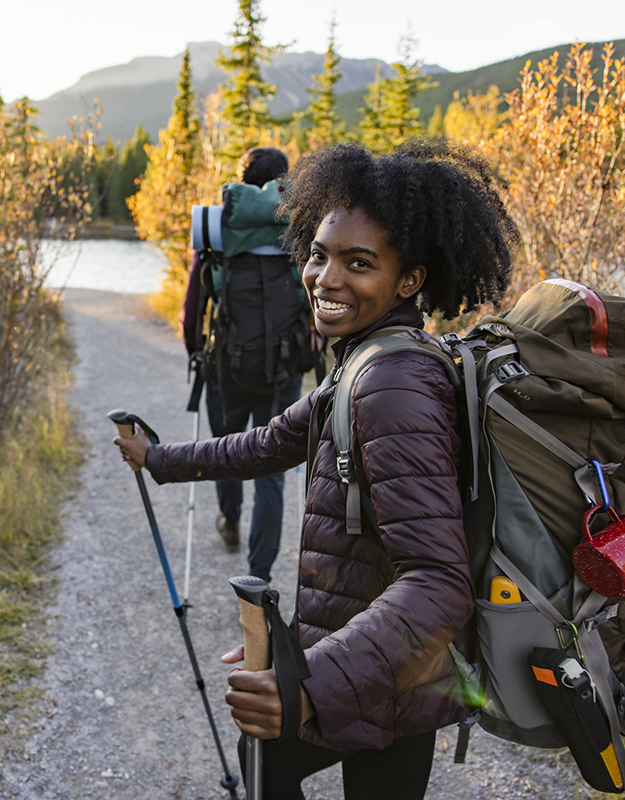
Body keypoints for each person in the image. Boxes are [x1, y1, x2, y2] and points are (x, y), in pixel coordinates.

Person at [115, 138, 517, 800]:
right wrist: (156, 458)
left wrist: (306, 688)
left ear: (409, 279)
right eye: (318, 254)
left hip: (382, 681)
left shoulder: (392, 383)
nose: (325, 279)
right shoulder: (367, 358)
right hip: (371, 665)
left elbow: (439, 584)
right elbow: (267, 443)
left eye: (358, 263)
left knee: (267, 752)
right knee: (266, 755)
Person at [179, 146, 308, 582]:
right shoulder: (302, 227)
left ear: (242, 182)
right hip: (283, 369)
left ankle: (229, 520)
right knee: (271, 470)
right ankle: (260, 574)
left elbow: (194, 301)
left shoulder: (217, 225)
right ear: (282, 183)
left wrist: (196, 348)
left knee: (226, 450)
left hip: (227, 364)